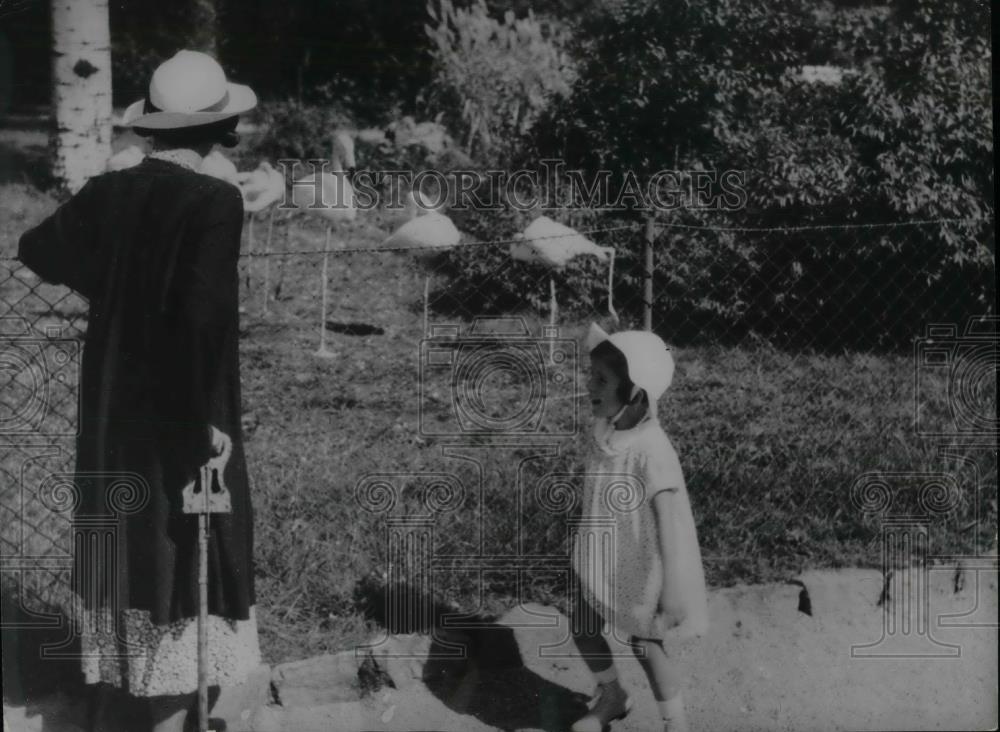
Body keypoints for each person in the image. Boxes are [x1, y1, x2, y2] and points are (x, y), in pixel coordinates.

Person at [17, 50, 260, 732]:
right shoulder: (215, 201)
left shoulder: (112, 189)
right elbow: (199, 323)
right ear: (222, 127)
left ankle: (115, 698)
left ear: (152, 127)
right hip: (184, 404)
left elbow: (37, 247)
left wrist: (116, 287)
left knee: (125, 534)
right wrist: (200, 425)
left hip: (111, 401)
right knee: (183, 544)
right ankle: (170, 711)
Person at [569, 323, 709, 732]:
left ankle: (675, 723)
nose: (589, 385)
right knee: (582, 622)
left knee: (644, 643)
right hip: (602, 548)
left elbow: (669, 520)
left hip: (642, 561)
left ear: (634, 392)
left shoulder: (652, 448)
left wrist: (671, 586)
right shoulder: (606, 428)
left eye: (601, 379)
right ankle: (612, 695)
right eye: (590, 375)